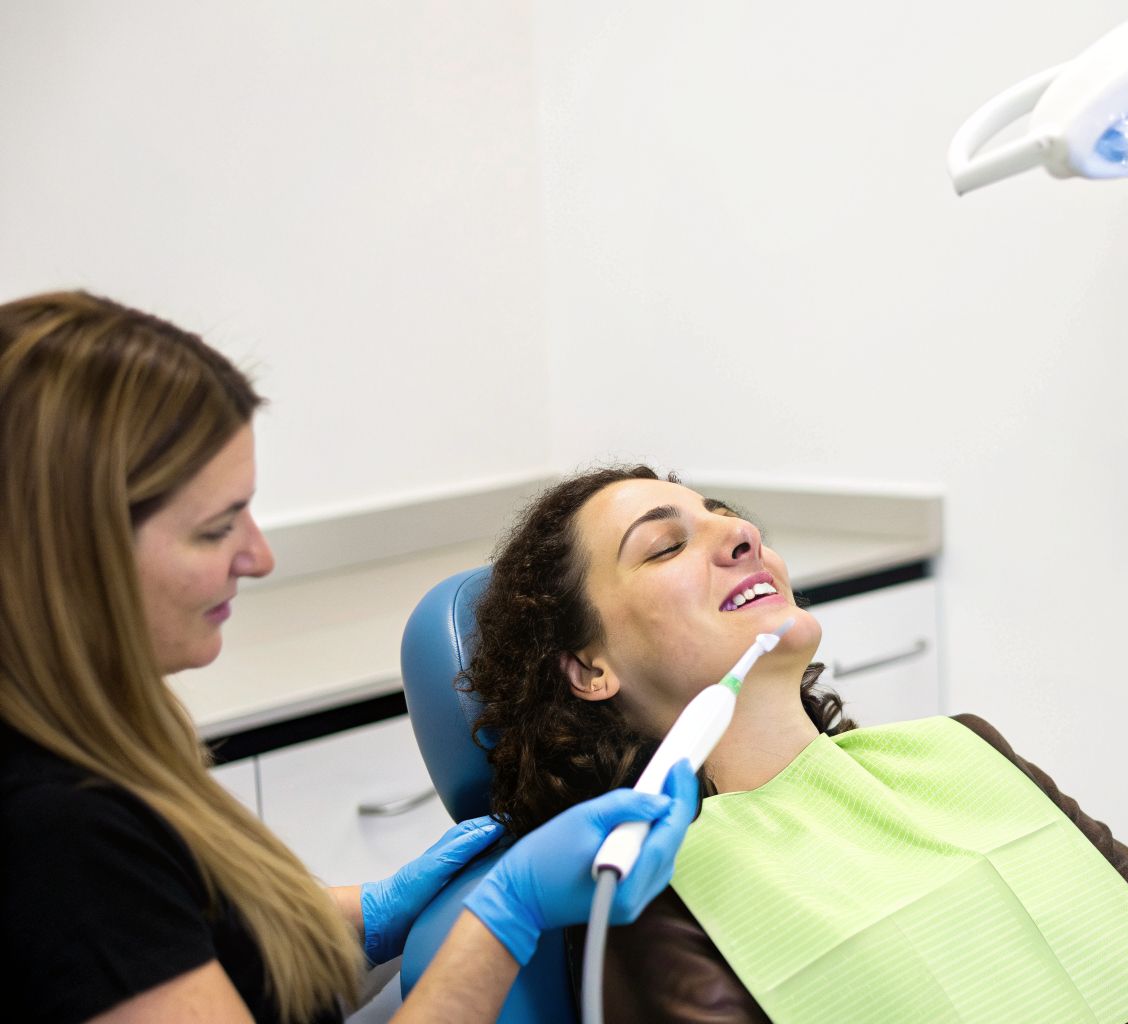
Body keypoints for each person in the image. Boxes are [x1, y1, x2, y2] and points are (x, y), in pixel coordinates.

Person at [0, 291, 695, 1024]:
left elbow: (185, 943)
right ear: (69, 558)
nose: (259, 557)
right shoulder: (55, 839)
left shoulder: (91, 757)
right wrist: (502, 918)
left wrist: (369, 915)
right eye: (214, 530)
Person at [464, 465, 1128, 1023]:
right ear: (589, 668)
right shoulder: (646, 891)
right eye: (664, 547)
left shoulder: (962, 755)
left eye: (729, 518)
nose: (741, 536)